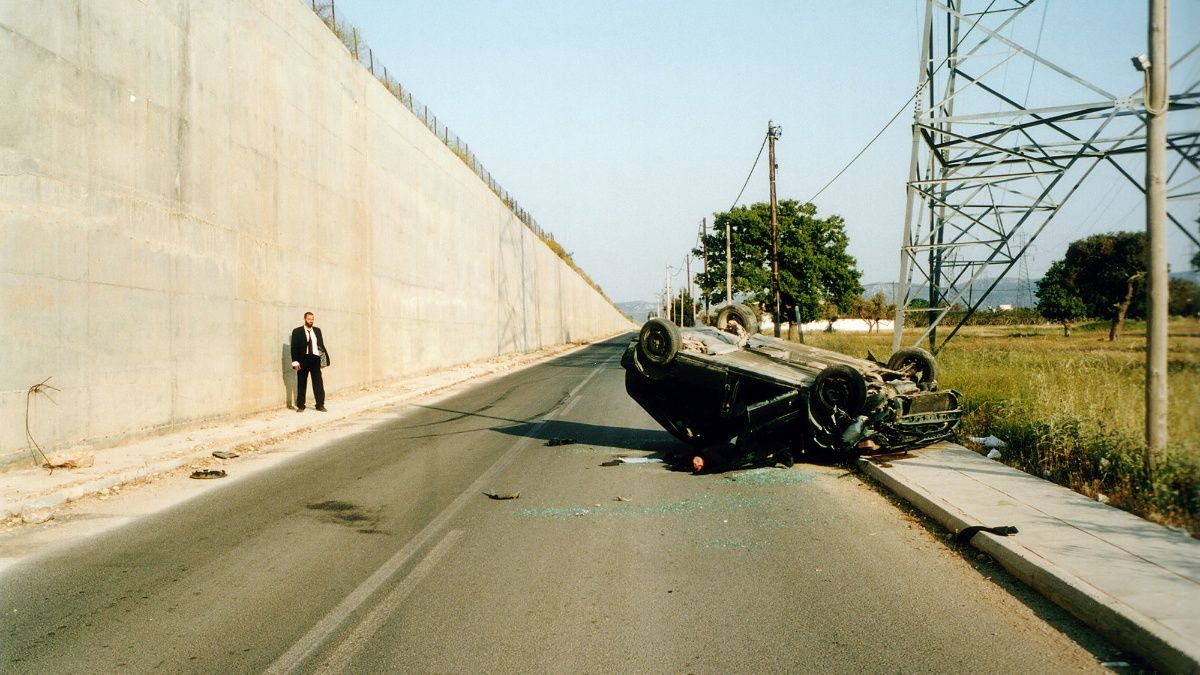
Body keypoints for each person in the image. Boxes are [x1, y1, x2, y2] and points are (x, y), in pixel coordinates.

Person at [290, 312, 329, 412]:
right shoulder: (297, 331)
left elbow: (320, 346)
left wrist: (323, 360)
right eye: (309, 319)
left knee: (318, 383)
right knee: (301, 383)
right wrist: (295, 361)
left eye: (312, 319)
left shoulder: (317, 330)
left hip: (315, 359)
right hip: (303, 360)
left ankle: (320, 404)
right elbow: (294, 347)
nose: (311, 321)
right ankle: (301, 405)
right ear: (304, 319)